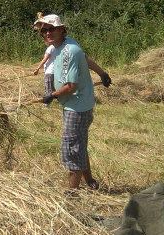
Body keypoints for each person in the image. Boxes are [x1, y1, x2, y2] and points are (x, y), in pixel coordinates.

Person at [34, 14, 111, 192]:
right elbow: (86, 58)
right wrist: (102, 73)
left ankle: (72, 193)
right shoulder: (62, 45)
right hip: (76, 103)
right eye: (43, 31)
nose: (47, 33)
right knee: (79, 144)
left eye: (51, 29)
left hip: (76, 106)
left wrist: (51, 95)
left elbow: (71, 85)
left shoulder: (69, 51)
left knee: (71, 147)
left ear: (61, 29)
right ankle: (90, 181)